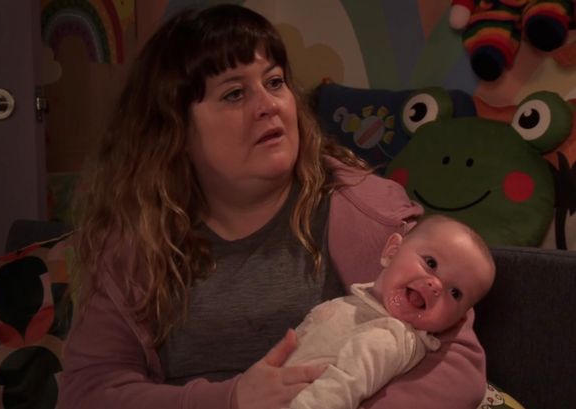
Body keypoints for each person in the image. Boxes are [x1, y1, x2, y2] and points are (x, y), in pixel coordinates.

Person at [60, 4, 489, 409]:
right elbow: (88, 391)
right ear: (175, 129)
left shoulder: (368, 212)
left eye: (275, 82)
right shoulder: (137, 237)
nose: (268, 106)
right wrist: (229, 400)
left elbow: (458, 371)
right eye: (234, 94)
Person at [285, 215, 496, 409]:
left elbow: (340, 389)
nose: (436, 286)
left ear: (456, 320)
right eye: (431, 263)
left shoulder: (390, 337)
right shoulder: (362, 306)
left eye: (455, 293)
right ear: (392, 251)